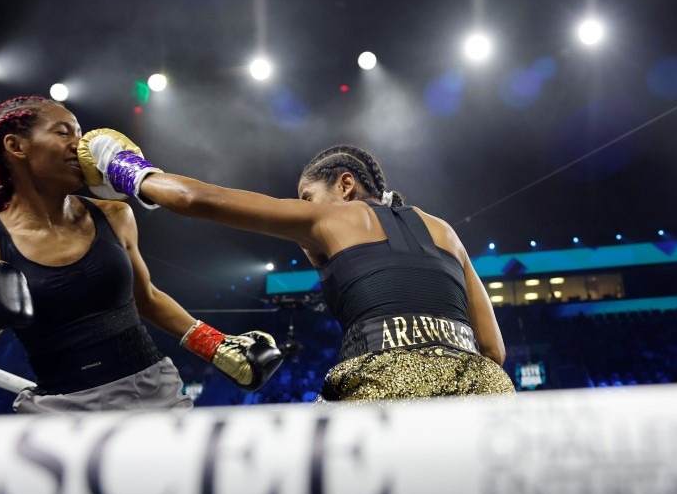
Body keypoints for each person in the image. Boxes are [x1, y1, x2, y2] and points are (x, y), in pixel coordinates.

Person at [77, 130, 515, 401]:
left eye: (307, 197)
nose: (304, 210)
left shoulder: (330, 217)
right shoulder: (446, 231)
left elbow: (196, 199)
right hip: (482, 395)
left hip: (384, 391)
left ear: (345, 185)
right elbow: (493, 351)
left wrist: (124, 166)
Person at [0, 97, 282, 412]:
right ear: (16, 146)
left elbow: (148, 298)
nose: (81, 145)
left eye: (79, 133)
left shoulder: (114, 214)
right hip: (61, 416)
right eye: (64, 132)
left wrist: (217, 346)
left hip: (155, 396)